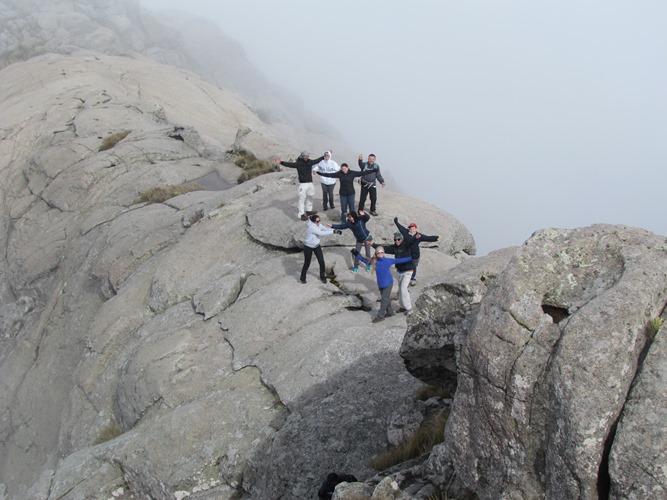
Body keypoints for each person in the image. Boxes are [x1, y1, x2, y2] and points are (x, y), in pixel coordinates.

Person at [351, 246, 412, 323]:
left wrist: (411, 258)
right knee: (385, 298)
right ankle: (390, 312)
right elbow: (363, 260)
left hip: (388, 283)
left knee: (384, 299)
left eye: (382, 252)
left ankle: (380, 316)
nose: (380, 254)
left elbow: (399, 260)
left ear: (384, 253)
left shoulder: (388, 261)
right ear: (376, 254)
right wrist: (356, 254)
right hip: (381, 284)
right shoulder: (374, 261)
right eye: (378, 252)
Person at [275, 150, 327, 220]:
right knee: (302, 199)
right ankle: (302, 214)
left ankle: (308, 211)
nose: (306, 157)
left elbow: (316, 160)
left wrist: (324, 156)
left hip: (310, 183)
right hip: (303, 184)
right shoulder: (298, 163)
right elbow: (290, 164)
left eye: (307, 156)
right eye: (305, 156)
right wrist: (281, 162)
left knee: (310, 197)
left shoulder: (310, 162)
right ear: (302, 156)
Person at [378, 232, 416, 315]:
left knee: (403, 288)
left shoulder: (406, 245)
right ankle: (402, 306)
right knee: (400, 289)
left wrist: (416, 237)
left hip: (408, 271)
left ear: (402, 239)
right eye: (395, 240)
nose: (397, 241)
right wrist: (373, 245)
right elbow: (384, 249)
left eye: (399, 239)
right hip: (400, 271)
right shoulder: (394, 248)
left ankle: (409, 308)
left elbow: (412, 241)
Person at [394, 218, 440, 286]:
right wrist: (396, 222)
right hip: (407, 253)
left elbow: (428, 238)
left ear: (416, 229)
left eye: (413, 228)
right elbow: (401, 228)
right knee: (406, 265)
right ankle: (405, 276)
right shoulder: (406, 233)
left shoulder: (419, 235)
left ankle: (413, 278)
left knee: (414, 266)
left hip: (415, 254)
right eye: (410, 228)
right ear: (409, 229)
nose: (412, 229)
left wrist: (437, 238)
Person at [300, 214, 342, 284]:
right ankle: (302, 278)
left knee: (321, 262)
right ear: (314, 222)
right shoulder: (311, 227)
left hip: (316, 246)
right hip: (308, 247)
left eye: (319, 220)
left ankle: (322, 276)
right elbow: (321, 233)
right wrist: (333, 232)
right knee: (307, 263)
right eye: (317, 221)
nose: (319, 222)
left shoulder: (318, 224)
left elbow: (325, 229)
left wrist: (335, 230)